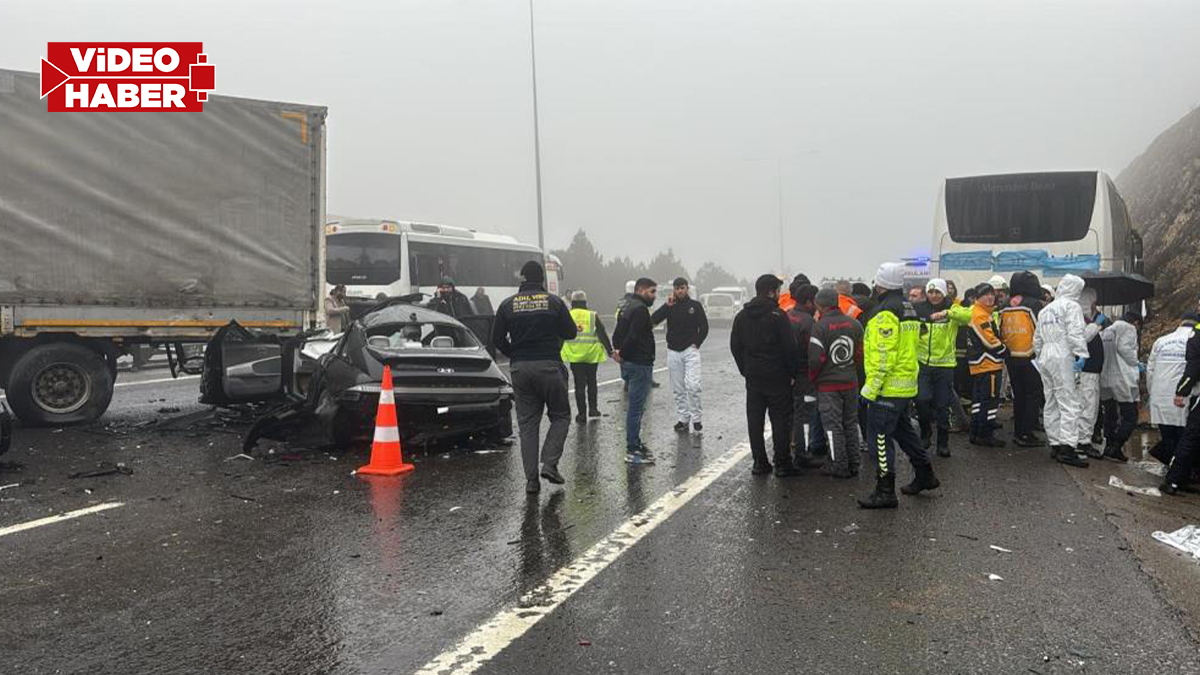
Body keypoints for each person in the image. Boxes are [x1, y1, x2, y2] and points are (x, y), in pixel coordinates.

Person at [858, 262, 939, 509]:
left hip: (888, 388)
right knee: (905, 433)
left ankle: (885, 490)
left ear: (879, 284)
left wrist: (870, 390)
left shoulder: (885, 312)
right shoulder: (908, 308)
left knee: (880, 439)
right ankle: (925, 474)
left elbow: (884, 355)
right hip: (905, 385)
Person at [492, 261, 578, 494]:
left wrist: (515, 354)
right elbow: (570, 332)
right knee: (560, 415)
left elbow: (497, 339)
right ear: (541, 279)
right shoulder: (554, 302)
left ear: (522, 279)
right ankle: (549, 463)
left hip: (520, 368)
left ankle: (531, 482)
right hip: (549, 365)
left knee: (528, 424)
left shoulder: (507, 305)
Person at [731, 274, 802, 477]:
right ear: (771, 292)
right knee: (780, 421)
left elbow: (735, 346)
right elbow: (790, 348)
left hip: (753, 377)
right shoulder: (778, 316)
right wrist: (792, 372)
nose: (780, 295)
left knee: (755, 420)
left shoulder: (741, 316)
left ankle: (759, 463)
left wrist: (745, 368)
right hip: (778, 376)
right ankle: (782, 463)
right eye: (778, 291)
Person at [1033, 274, 1090, 468]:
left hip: (1046, 356)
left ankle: (1056, 444)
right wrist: (1081, 354)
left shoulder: (1046, 310)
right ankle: (1068, 448)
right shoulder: (1072, 307)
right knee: (1069, 402)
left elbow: (1037, 340)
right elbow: (1075, 333)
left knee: (1051, 401)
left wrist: (1041, 357)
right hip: (1063, 354)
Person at [809, 287, 864, 477]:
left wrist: (813, 378)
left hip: (828, 385)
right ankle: (854, 462)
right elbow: (859, 354)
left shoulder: (820, 326)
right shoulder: (855, 324)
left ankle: (839, 465)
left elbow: (816, 359)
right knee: (850, 423)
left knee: (832, 427)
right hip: (850, 381)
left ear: (819, 305)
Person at [914, 278, 972, 457]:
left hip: (945, 366)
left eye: (937, 292)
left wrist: (947, 313)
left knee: (942, 405)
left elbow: (968, 316)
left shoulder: (953, 308)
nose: (934, 296)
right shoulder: (919, 309)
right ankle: (925, 433)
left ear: (944, 293)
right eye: (930, 292)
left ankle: (943, 443)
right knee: (922, 401)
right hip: (923, 364)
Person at [652, 277, 709, 433]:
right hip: (673, 351)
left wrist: (697, 342)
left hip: (690, 351)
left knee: (693, 385)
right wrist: (666, 305)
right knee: (678, 388)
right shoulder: (670, 306)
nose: (679, 291)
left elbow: (704, 326)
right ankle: (683, 419)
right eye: (677, 288)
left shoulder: (695, 306)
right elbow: (653, 320)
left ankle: (697, 419)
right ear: (674, 290)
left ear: (687, 289)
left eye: (682, 288)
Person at [613, 278, 658, 465]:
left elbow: (617, 335)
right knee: (636, 409)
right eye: (652, 291)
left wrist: (619, 352)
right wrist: (623, 353)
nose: (654, 296)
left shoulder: (627, 306)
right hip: (639, 363)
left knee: (636, 407)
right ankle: (632, 449)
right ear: (640, 290)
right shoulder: (640, 309)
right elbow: (634, 335)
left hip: (631, 363)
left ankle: (636, 443)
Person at [999, 271, 1046, 447]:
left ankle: (1019, 431)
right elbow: (1041, 330)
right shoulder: (1035, 304)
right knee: (1033, 395)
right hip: (1031, 357)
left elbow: (1000, 328)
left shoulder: (1004, 304)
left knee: (1018, 396)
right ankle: (1026, 433)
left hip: (1011, 356)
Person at [1146, 314, 1198, 468]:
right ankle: (1179, 474)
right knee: (1186, 440)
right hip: (1185, 398)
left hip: (1160, 398)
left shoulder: (1161, 341)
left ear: (1180, 323)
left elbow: (1150, 370)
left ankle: (1171, 467)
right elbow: (1194, 371)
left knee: (1168, 436)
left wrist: (1152, 394)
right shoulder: (1195, 341)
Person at [560, 290, 614, 424]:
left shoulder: (567, 315)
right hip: (591, 355)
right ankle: (593, 409)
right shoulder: (592, 315)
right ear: (585, 302)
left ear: (572, 302)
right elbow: (602, 334)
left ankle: (581, 414)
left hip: (575, 355)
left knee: (579, 384)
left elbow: (559, 335)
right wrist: (610, 350)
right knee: (591, 382)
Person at [965, 283, 1008, 447]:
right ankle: (985, 433)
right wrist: (1004, 349)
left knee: (978, 400)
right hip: (987, 363)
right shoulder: (980, 315)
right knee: (990, 400)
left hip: (981, 364)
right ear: (977, 298)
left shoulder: (983, 312)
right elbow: (989, 340)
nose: (990, 297)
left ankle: (976, 431)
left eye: (991, 294)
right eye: (985, 295)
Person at [786, 282, 824, 468]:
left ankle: (787, 451)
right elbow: (814, 353)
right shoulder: (809, 323)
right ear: (809, 302)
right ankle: (802, 453)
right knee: (804, 414)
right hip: (805, 375)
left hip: (787, 374)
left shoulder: (786, 316)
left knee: (789, 414)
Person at [1162, 317, 1200, 495]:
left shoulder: (1197, 336)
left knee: (1190, 437)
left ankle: (1174, 480)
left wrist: (1181, 391)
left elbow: (1193, 367)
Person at [1099, 311, 1142, 463]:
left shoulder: (1107, 330)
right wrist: (1136, 363)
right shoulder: (1128, 328)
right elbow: (1125, 349)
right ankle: (1116, 446)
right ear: (1135, 322)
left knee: (1110, 413)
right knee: (1130, 416)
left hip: (1106, 376)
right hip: (1122, 377)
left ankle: (1108, 445)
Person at [1075, 300, 1106, 457]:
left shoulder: (1088, 321)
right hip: (1086, 371)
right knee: (1087, 406)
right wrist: (1095, 324)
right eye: (1092, 303)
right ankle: (1083, 441)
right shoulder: (1080, 321)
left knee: (1090, 407)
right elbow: (1083, 338)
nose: (1095, 307)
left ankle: (1084, 439)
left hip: (1092, 371)